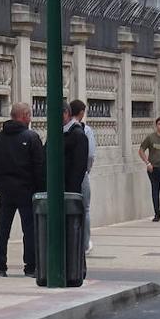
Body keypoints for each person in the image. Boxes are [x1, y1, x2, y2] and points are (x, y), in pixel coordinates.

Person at [0, 101, 45, 277]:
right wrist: (39, 190)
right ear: (24, 116)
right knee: (29, 229)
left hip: (6, 190)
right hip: (27, 191)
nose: (30, 118)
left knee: (3, 228)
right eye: (29, 115)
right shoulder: (31, 137)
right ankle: (30, 267)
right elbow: (39, 168)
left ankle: (0, 266)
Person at [66, 99, 97, 254]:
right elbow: (90, 155)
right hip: (81, 174)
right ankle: (84, 244)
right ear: (82, 112)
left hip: (66, 174)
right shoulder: (86, 130)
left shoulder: (63, 129)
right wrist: (87, 170)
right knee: (85, 209)